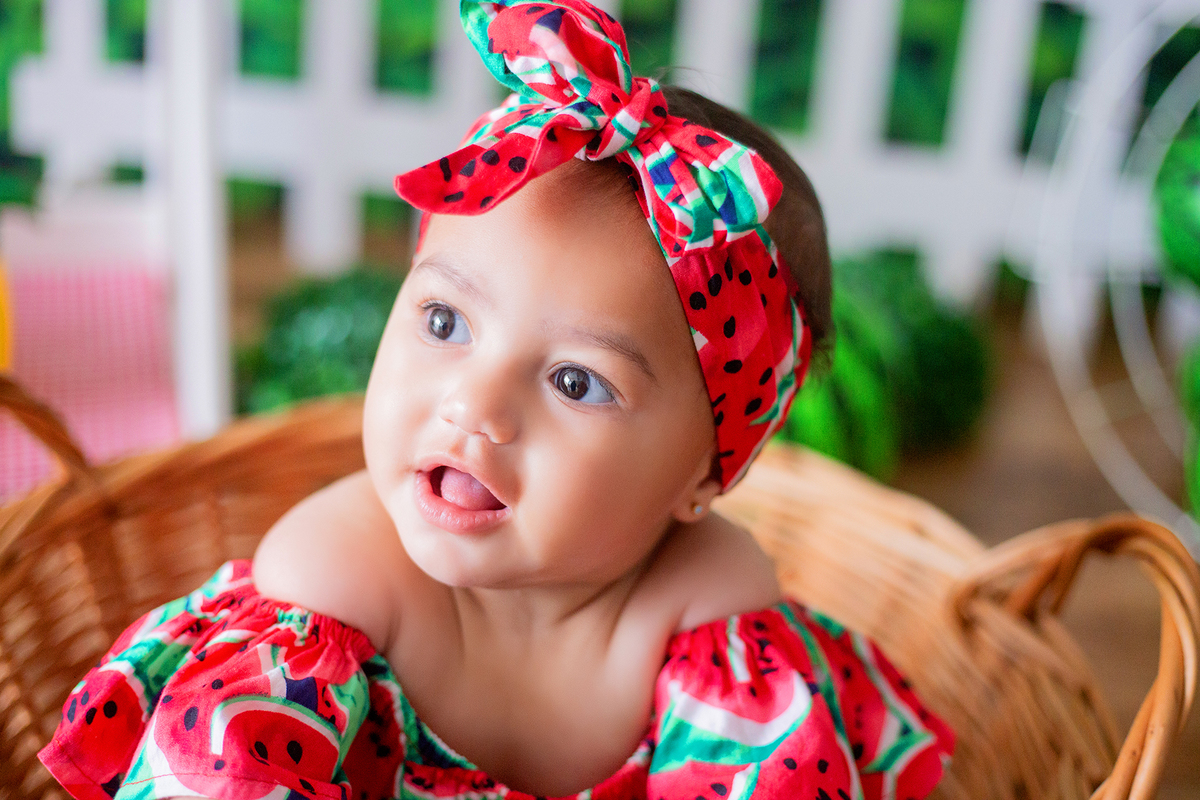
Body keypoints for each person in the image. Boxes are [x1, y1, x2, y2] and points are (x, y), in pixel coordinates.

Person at [39, 2, 953, 798]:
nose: (476, 404)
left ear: (705, 474)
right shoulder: (332, 587)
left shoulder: (708, 619)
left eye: (576, 382)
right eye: (445, 322)